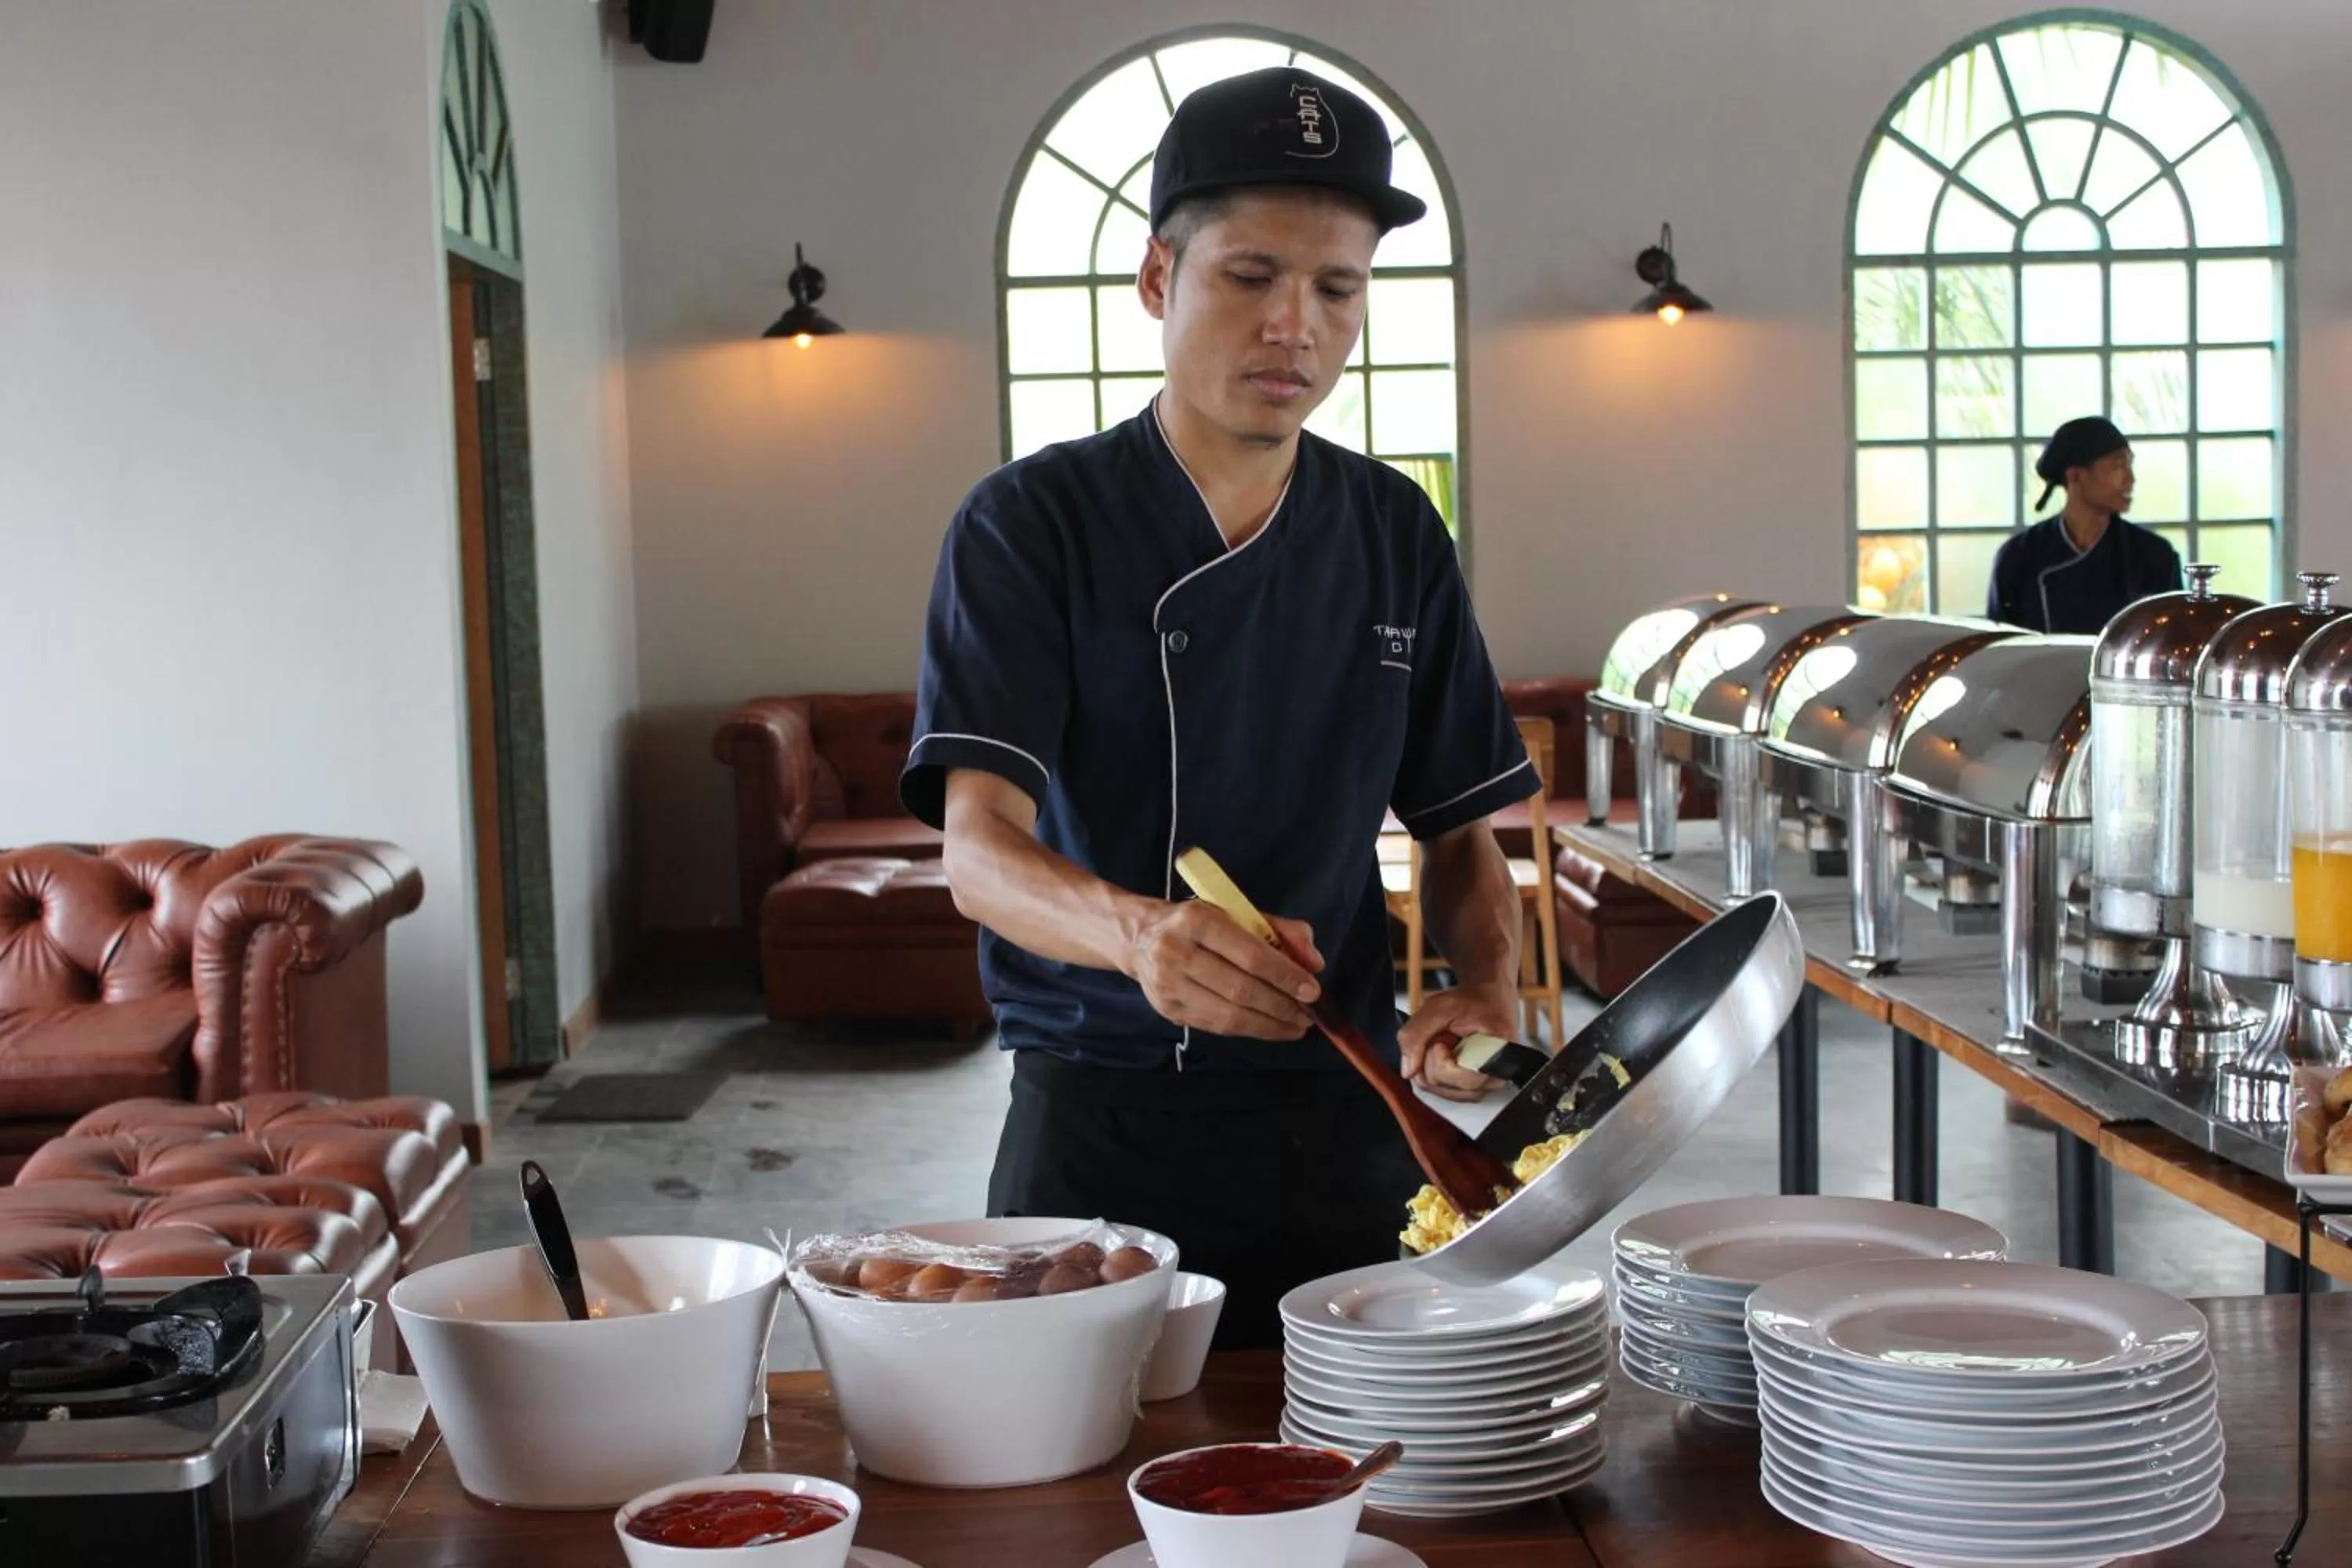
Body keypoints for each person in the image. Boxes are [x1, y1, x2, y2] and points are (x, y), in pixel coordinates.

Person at [899, 67, 1534, 1347]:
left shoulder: (1393, 530)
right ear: (1159, 279)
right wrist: (1142, 938)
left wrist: (1488, 982)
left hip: (1349, 1105)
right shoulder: (1032, 524)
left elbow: (1462, 831)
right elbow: (978, 852)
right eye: (1250, 276)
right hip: (1100, 1113)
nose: (1294, 326)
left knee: (1364, 1453)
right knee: (1092, 1457)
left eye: (1337, 289)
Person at [1984, 416, 2184, 634]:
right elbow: (2002, 646)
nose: (2130, 479)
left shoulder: (2154, 555)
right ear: (2076, 476)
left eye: (2130, 465)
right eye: (2119, 466)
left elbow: (2172, 639)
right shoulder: (2018, 557)